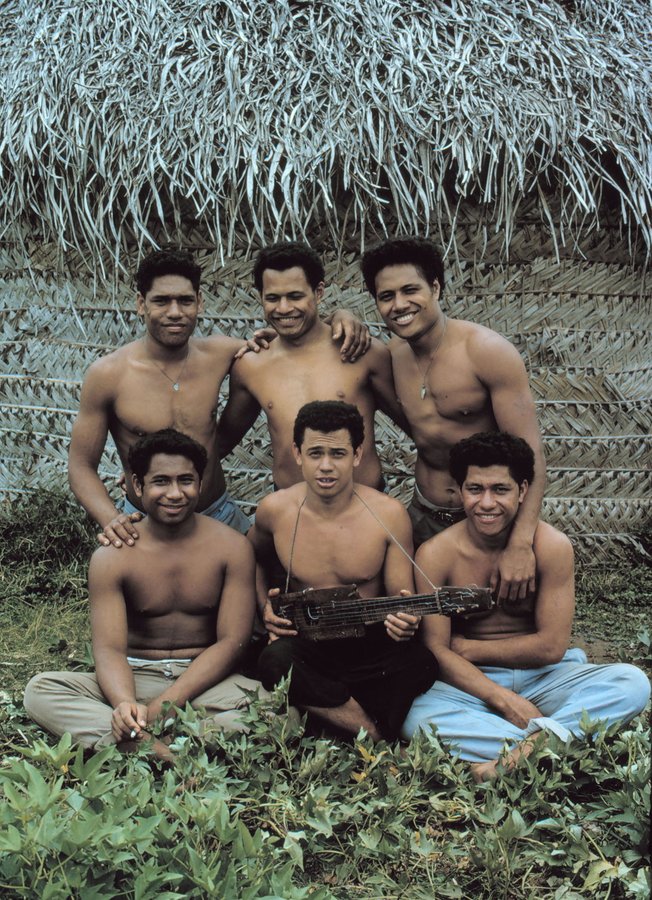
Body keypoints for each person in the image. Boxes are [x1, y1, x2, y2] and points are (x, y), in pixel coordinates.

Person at [68, 247, 367, 548]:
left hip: (218, 513)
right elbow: (80, 465)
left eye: (185, 301)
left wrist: (343, 315)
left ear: (199, 302)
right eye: (161, 301)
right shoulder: (107, 375)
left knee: (253, 585)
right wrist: (110, 518)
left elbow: (297, 333)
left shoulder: (224, 353)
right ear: (140, 304)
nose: (175, 312)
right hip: (144, 521)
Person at [401, 432, 650, 781]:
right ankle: (558, 746)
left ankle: (516, 757)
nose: (486, 503)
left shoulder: (552, 546)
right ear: (459, 491)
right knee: (415, 716)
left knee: (632, 682)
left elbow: (550, 647)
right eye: (475, 489)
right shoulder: (436, 554)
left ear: (522, 490)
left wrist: (468, 647)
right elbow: (436, 652)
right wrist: (503, 700)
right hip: (476, 685)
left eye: (500, 490)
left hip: (546, 677)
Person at [25, 429, 264, 760]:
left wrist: (163, 707)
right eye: (161, 482)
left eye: (186, 480)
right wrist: (124, 704)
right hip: (136, 676)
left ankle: (137, 742)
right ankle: (165, 745)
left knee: (275, 709)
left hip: (202, 682)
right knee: (40, 690)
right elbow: (109, 649)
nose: (175, 493)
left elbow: (231, 643)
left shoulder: (233, 547)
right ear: (138, 485)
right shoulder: (114, 554)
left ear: (201, 483)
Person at [361, 237, 546, 603]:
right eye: (386, 296)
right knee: (413, 626)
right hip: (423, 513)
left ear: (435, 287)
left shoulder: (486, 352)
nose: (399, 305)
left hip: (487, 516)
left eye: (410, 290)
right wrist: (338, 320)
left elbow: (532, 455)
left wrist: (521, 543)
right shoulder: (390, 358)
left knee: (489, 620)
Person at [248, 401, 439, 742]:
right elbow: (250, 560)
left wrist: (405, 621)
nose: (325, 466)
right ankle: (374, 733)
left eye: (337, 453)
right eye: (315, 452)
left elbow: (401, 597)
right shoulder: (275, 511)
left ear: (356, 454)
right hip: (307, 641)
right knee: (273, 661)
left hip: (371, 643)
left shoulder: (388, 514)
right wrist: (264, 606)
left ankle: (331, 720)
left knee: (421, 662)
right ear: (297, 453)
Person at [217, 242, 410, 490]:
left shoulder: (362, 352)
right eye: (273, 298)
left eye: (295, 296)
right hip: (294, 512)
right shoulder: (251, 366)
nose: (284, 308)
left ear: (318, 292)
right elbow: (222, 442)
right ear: (260, 297)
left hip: (364, 509)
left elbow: (417, 425)